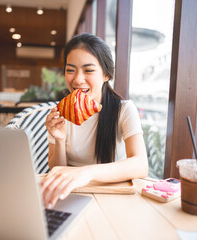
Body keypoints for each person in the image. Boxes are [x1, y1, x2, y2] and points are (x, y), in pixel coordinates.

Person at [42, 33, 148, 208]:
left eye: (88, 70)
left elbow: (141, 164)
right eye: (70, 70)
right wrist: (59, 140)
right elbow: (57, 169)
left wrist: (87, 173)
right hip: (71, 196)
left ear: (106, 74)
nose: (77, 79)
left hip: (114, 196)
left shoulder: (124, 109)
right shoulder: (61, 111)